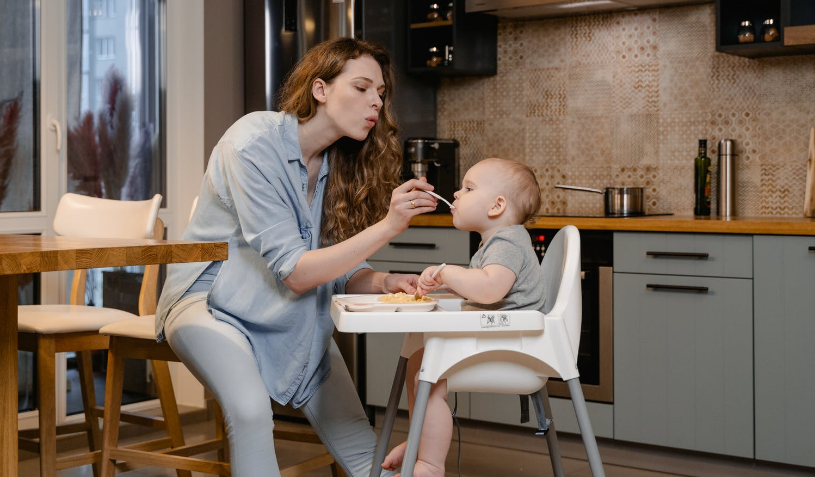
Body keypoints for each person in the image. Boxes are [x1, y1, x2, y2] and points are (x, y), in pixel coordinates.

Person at [154, 37, 439, 477]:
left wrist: (383, 282)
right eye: (361, 88)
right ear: (320, 90)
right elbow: (297, 273)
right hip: (210, 304)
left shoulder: (338, 166)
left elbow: (335, 269)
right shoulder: (251, 143)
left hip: (292, 314)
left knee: (368, 456)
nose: (375, 103)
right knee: (250, 414)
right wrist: (388, 225)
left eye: (380, 94)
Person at [382, 157, 545, 477]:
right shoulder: (493, 243)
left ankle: (429, 463)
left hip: (512, 346)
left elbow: (489, 290)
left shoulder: (507, 240)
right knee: (418, 360)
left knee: (426, 371)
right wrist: (447, 286)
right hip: (499, 337)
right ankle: (420, 440)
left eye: (468, 188)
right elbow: (480, 291)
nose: (456, 194)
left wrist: (448, 272)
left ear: (497, 206)